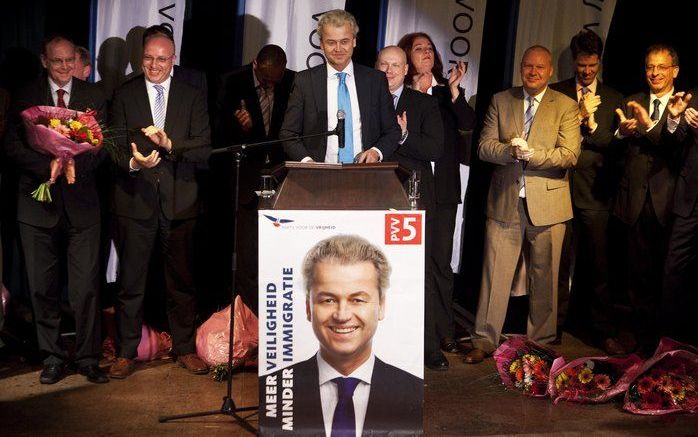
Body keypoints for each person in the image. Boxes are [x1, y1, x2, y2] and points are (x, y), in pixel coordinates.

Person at [465, 45, 581, 364]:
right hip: (505, 202)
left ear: (550, 72)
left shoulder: (567, 106)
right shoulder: (502, 100)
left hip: (550, 204)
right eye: (528, 66)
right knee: (494, 275)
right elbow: (485, 147)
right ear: (521, 68)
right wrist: (510, 153)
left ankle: (540, 345)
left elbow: (570, 155)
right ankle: (484, 340)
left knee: (545, 278)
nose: (533, 72)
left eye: (540, 68)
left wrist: (533, 155)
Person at [3, 35, 108, 384]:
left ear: (76, 60)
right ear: (44, 60)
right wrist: (47, 164)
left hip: (83, 206)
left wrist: (73, 165)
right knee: (42, 287)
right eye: (57, 61)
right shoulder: (25, 94)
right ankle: (51, 357)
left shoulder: (93, 95)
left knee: (86, 288)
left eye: (69, 61)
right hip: (37, 206)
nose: (64, 68)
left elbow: (103, 147)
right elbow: (12, 146)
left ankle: (89, 357)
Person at [108, 27, 211, 378]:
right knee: (131, 281)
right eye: (149, 58)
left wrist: (170, 145)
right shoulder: (124, 95)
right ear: (141, 58)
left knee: (180, 281)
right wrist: (135, 163)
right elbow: (114, 146)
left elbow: (204, 148)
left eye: (162, 59)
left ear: (173, 59)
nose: (154, 65)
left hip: (180, 202)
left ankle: (184, 348)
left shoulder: (192, 95)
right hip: (134, 203)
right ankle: (125, 352)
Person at [263, 235, 422, 436]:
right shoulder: (271, 391)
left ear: (381, 306)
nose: (342, 315)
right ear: (308, 308)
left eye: (357, 300)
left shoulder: (415, 394)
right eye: (328, 300)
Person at [397, 32, 476, 370]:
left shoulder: (446, 93)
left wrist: (456, 93)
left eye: (430, 48)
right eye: (419, 49)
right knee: (411, 266)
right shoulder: (398, 94)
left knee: (440, 264)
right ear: (405, 58)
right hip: (406, 189)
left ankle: (444, 331)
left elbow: (469, 125)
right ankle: (411, 331)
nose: (426, 53)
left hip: (442, 192)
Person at [549, 29, 625, 354]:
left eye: (592, 65)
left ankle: (602, 331)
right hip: (560, 188)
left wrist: (590, 124)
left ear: (599, 62)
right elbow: (550, 140)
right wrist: (576, 117)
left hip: (596, 193)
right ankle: (551, 327)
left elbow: (614, 144)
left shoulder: (614, 98)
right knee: (557, 264)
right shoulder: (556, 93)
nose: (587, 71)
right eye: (582, 65)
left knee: (598, 266)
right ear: (574, 61)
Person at [217, 44, 295, 314]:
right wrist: (243, 129)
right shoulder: (231, 82)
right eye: (264, 80)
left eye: (275, 80)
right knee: (247, 257)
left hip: (282, 181)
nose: (269, 85)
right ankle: (250, 318)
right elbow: (216, 134)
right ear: (254, 65)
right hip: (246, 181)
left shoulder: (294, 82)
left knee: (280, 253)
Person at [612, 44, 680, 356]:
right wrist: (622, 134)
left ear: (674, 71)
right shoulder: (633, 101)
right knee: (636, 277)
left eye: (661, 67)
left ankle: (664, 343)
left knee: (665, 277)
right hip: (635, 202)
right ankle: (641, 344)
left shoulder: (684, 105)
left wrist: (653, 126)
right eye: (650, 67)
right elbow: (615, 150)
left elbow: (678, 150)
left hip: (671, 204)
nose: (654, 73)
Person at [280, 9, 400, 164]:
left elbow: (392, 131)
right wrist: (308, 162)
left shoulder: (375, 80)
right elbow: (288, 133)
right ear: (321, 44)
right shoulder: (305, 81)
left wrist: (376, 152)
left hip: (366, 174)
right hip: (319, 176)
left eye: (344, 41)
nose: (338, 49)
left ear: (354, 41)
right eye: (331, 42)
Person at [660, 88, 698, 345]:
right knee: (674, 271)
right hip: (690, 200)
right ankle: (669, 345)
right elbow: (671, 143)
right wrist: (674, 120)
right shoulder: (693, 96)